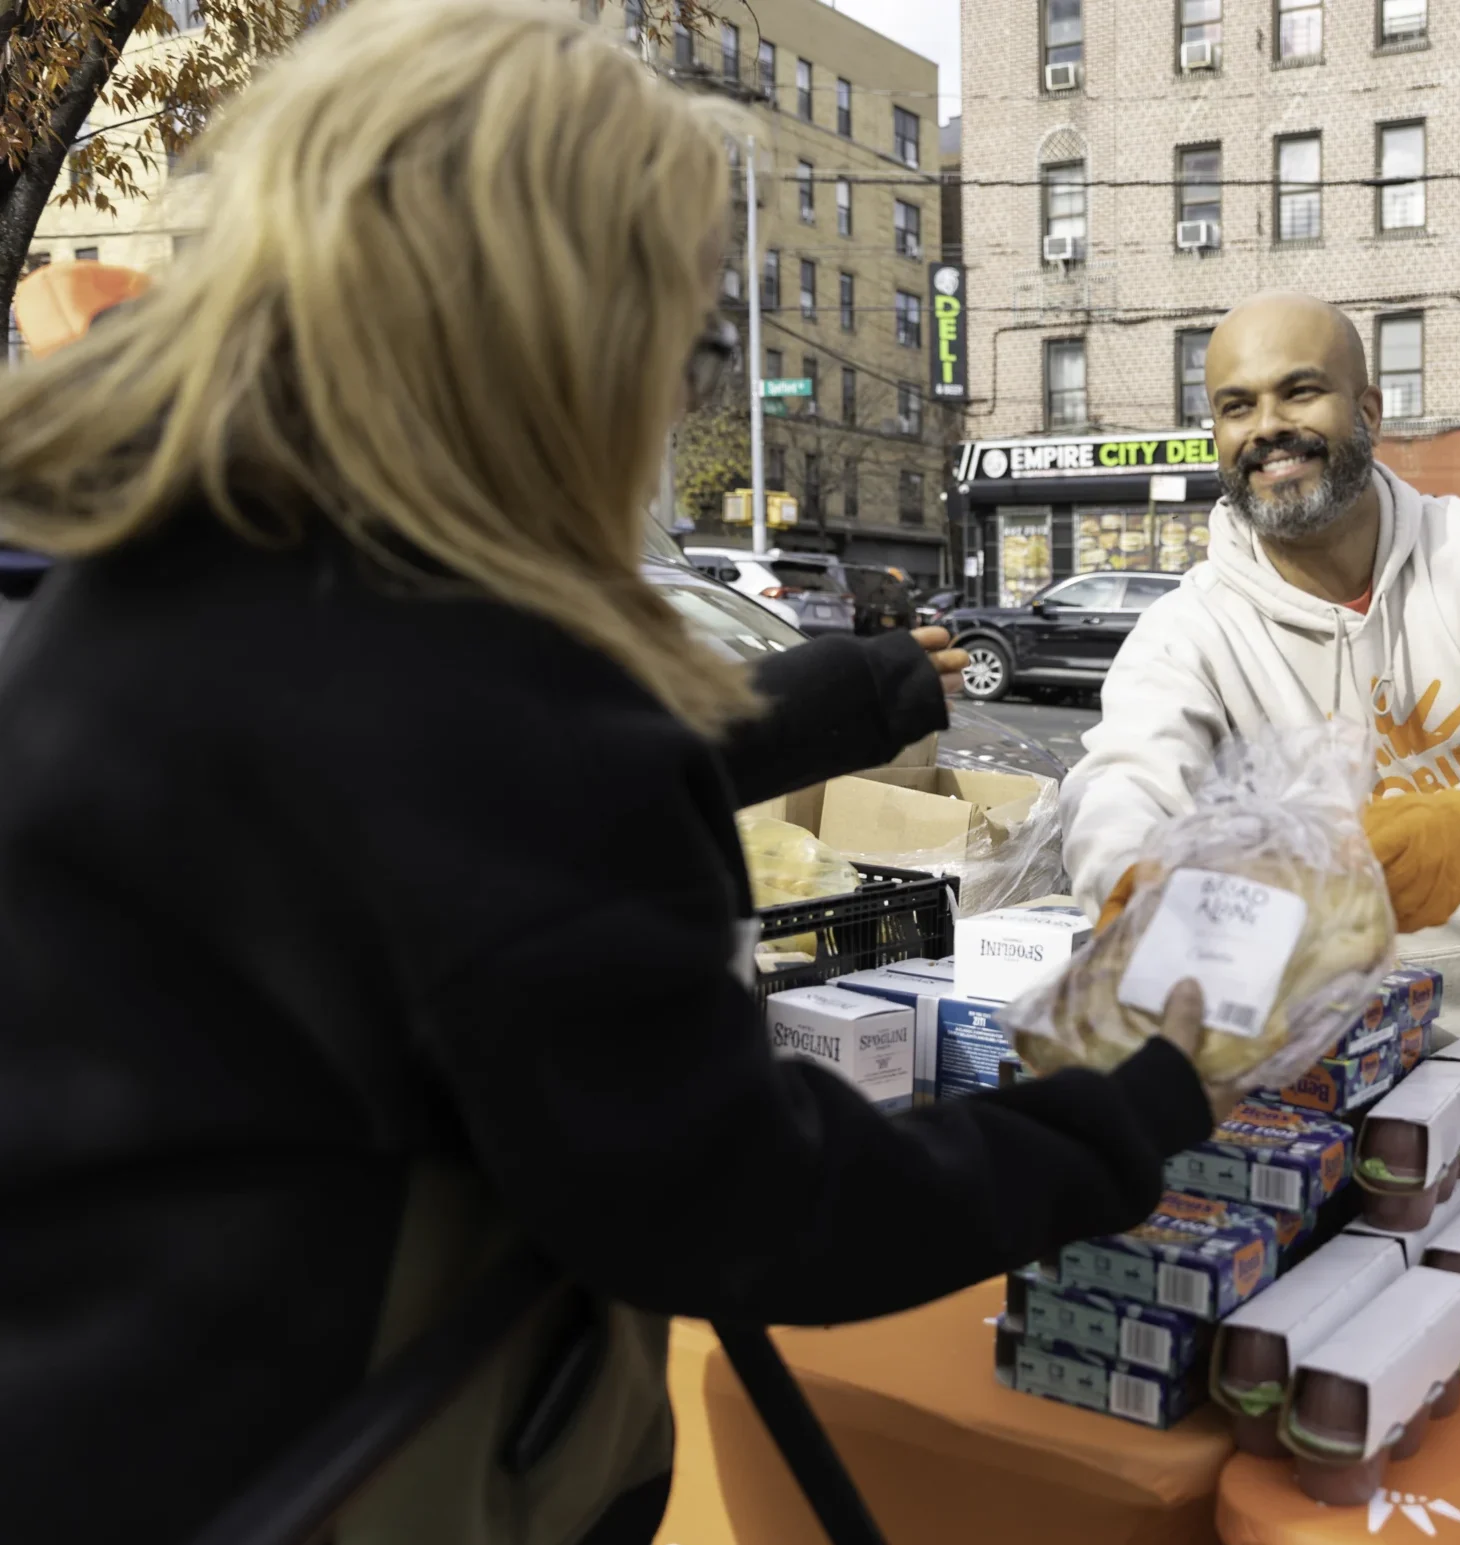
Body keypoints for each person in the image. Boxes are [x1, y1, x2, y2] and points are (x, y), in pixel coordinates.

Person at [0, 6, 1221, 1542]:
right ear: (572, 330)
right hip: (339, 1468)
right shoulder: (467, 677)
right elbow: (741, 1202)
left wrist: (838, 695)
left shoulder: (142, 569)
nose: (675, 400)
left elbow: (443, 851)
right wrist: (1121, 1120)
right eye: (695, 340)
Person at [1065, 293, 1460, 1026]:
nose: (1267, 427)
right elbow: (1124, 782)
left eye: (1300, 391)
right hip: (1315, 1056)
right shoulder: (1186, 631)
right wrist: (1131, 883)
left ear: (1369, 410)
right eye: (1237, 407)